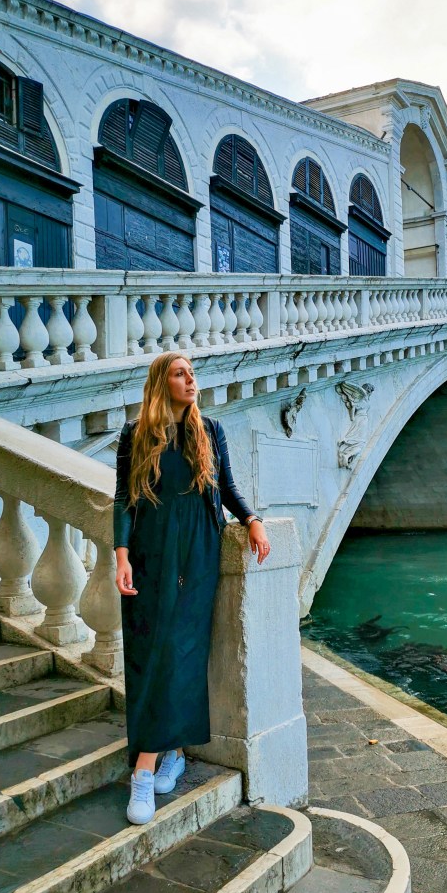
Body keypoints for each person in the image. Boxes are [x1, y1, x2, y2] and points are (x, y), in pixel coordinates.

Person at [114, 352, 269, 824]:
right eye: (181, 373)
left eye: (192, 373)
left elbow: (227, 489)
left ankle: (165, 758)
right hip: (151, 551)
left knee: (183, 652)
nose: (190, 379)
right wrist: (120, 554)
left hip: (199, 551)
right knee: (154, 652)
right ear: (162, 382)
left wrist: (252, 520)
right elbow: (124, 498)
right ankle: (149, 764)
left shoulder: (211, 431)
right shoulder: (135, 433)